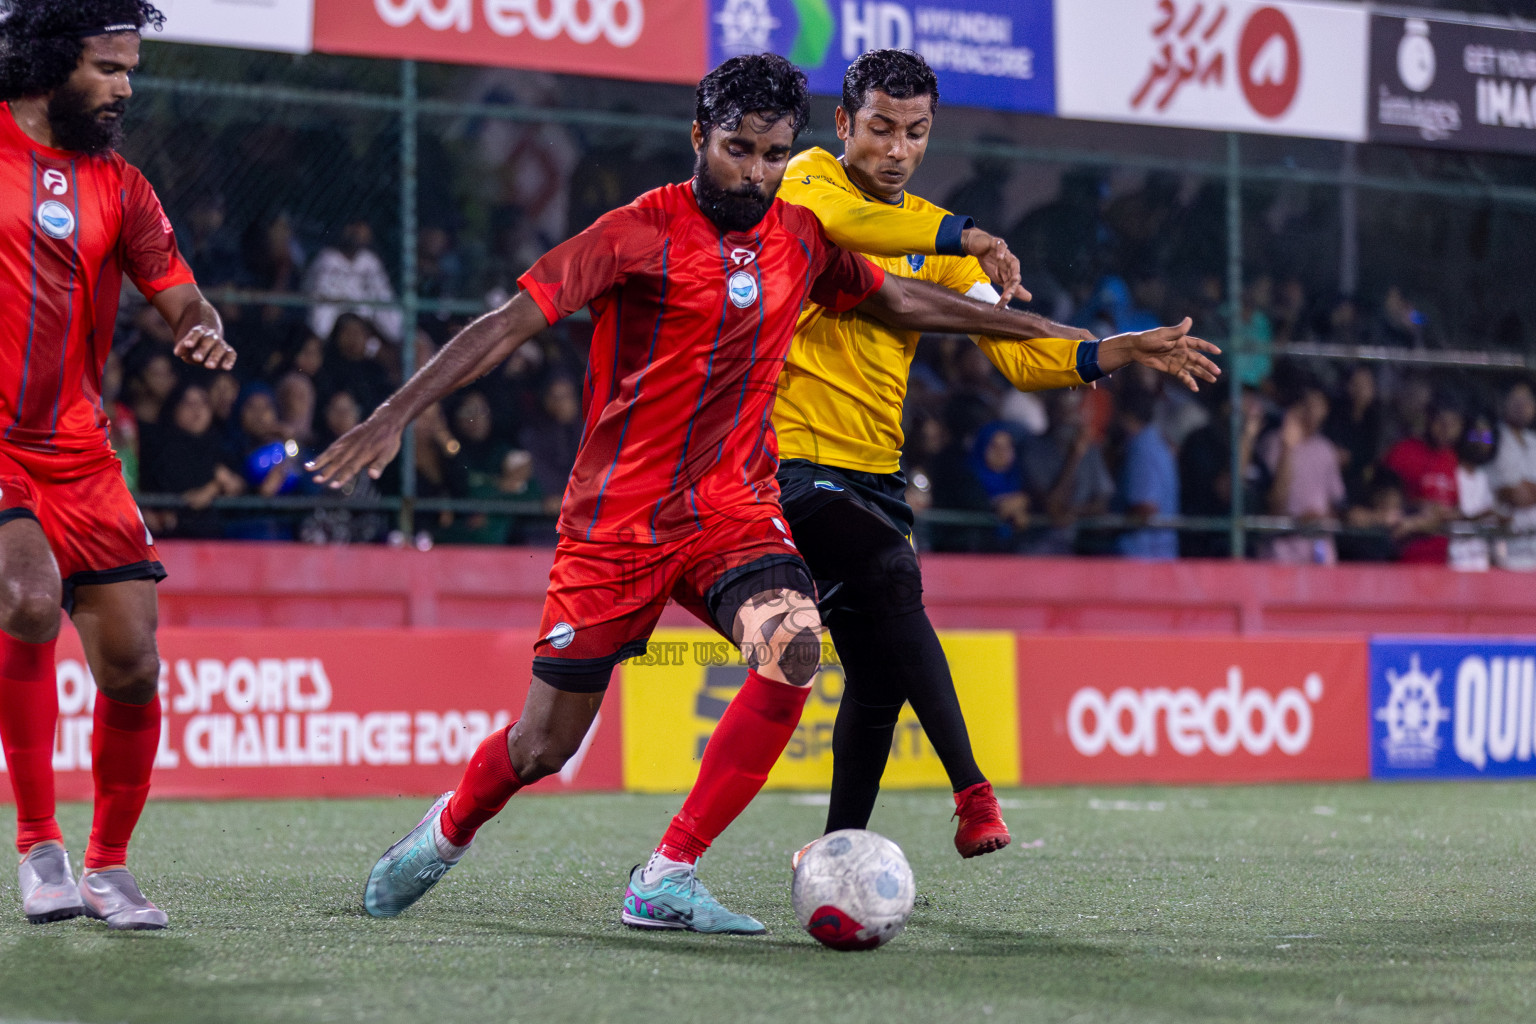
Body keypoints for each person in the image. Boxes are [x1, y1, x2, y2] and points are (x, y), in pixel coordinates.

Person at [309, 54, 1127, 934]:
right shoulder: (633, 231)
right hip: (617, 521)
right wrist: (395, 414)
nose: (758, 172)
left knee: (795, 646)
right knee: (543, 745)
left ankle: (668, 873)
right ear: (699, 137)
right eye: (740, 150)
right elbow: (508, 323)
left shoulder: (800, 236)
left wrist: (1074, 341)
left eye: (776, 154)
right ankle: (447, 830)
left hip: (733, 507)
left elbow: (903, 305)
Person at [771, 49, 1218, 853]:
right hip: (792, 465)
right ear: (843, 125)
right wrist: (967, 233)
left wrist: (1111, 350)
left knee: (876, 680)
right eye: (879, 129)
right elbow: (852, 226)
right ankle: (973, 791)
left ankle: (835, 852)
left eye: (916, 132)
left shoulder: (937, 238)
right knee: (895, 576)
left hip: (876, 476)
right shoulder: (810, 181)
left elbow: (1015, 352)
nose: (897, 149)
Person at [0, 1, 236, 929]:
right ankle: (37, 845)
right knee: (23, 597)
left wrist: (201, 328)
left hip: (83, 453)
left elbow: (181, 294)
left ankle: (108, 865)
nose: (125, 86)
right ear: (50, 62)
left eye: (131, 67)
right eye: (108, 67)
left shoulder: (122, 186)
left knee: (134, 667)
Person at [1260, 383, 1345, 565]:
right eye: (1308, 405)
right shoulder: (1273, 444)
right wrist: (1287, 447)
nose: (1312, 412)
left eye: (1319, 406)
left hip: (1319, 553)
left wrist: (1320, 518)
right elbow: (1274, 502)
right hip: (1281, 552)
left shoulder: (1326, 449)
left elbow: (1335, 503)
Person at [1382, 397, 1463, 564]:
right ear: (1429, 420)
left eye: (1453, 424)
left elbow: (1454, 505)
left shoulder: (1451, 458)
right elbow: (1382, 502)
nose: (1446, 429)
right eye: (1441, 422)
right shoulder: (1403, 452)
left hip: (1440, 560)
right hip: (1404, 558)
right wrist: (1420, 507)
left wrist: (1446, 513)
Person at [1114, 383, 1181, 560]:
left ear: (1125, 414)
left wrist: (1107, 524)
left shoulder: (1141, 447)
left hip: (1143, 558)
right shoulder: (1156, 441)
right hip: (1158, 555)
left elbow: (1145, 508)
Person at [1488, 380, 1536, 571]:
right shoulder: (1490, 437)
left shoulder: (1534, 441)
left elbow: (1525, 493)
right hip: (1507, 548)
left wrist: (1528, 488)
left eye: (1527, 401)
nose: (1521, 406)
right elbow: (1517, 495)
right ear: (1503, 402)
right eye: (1515, 400)